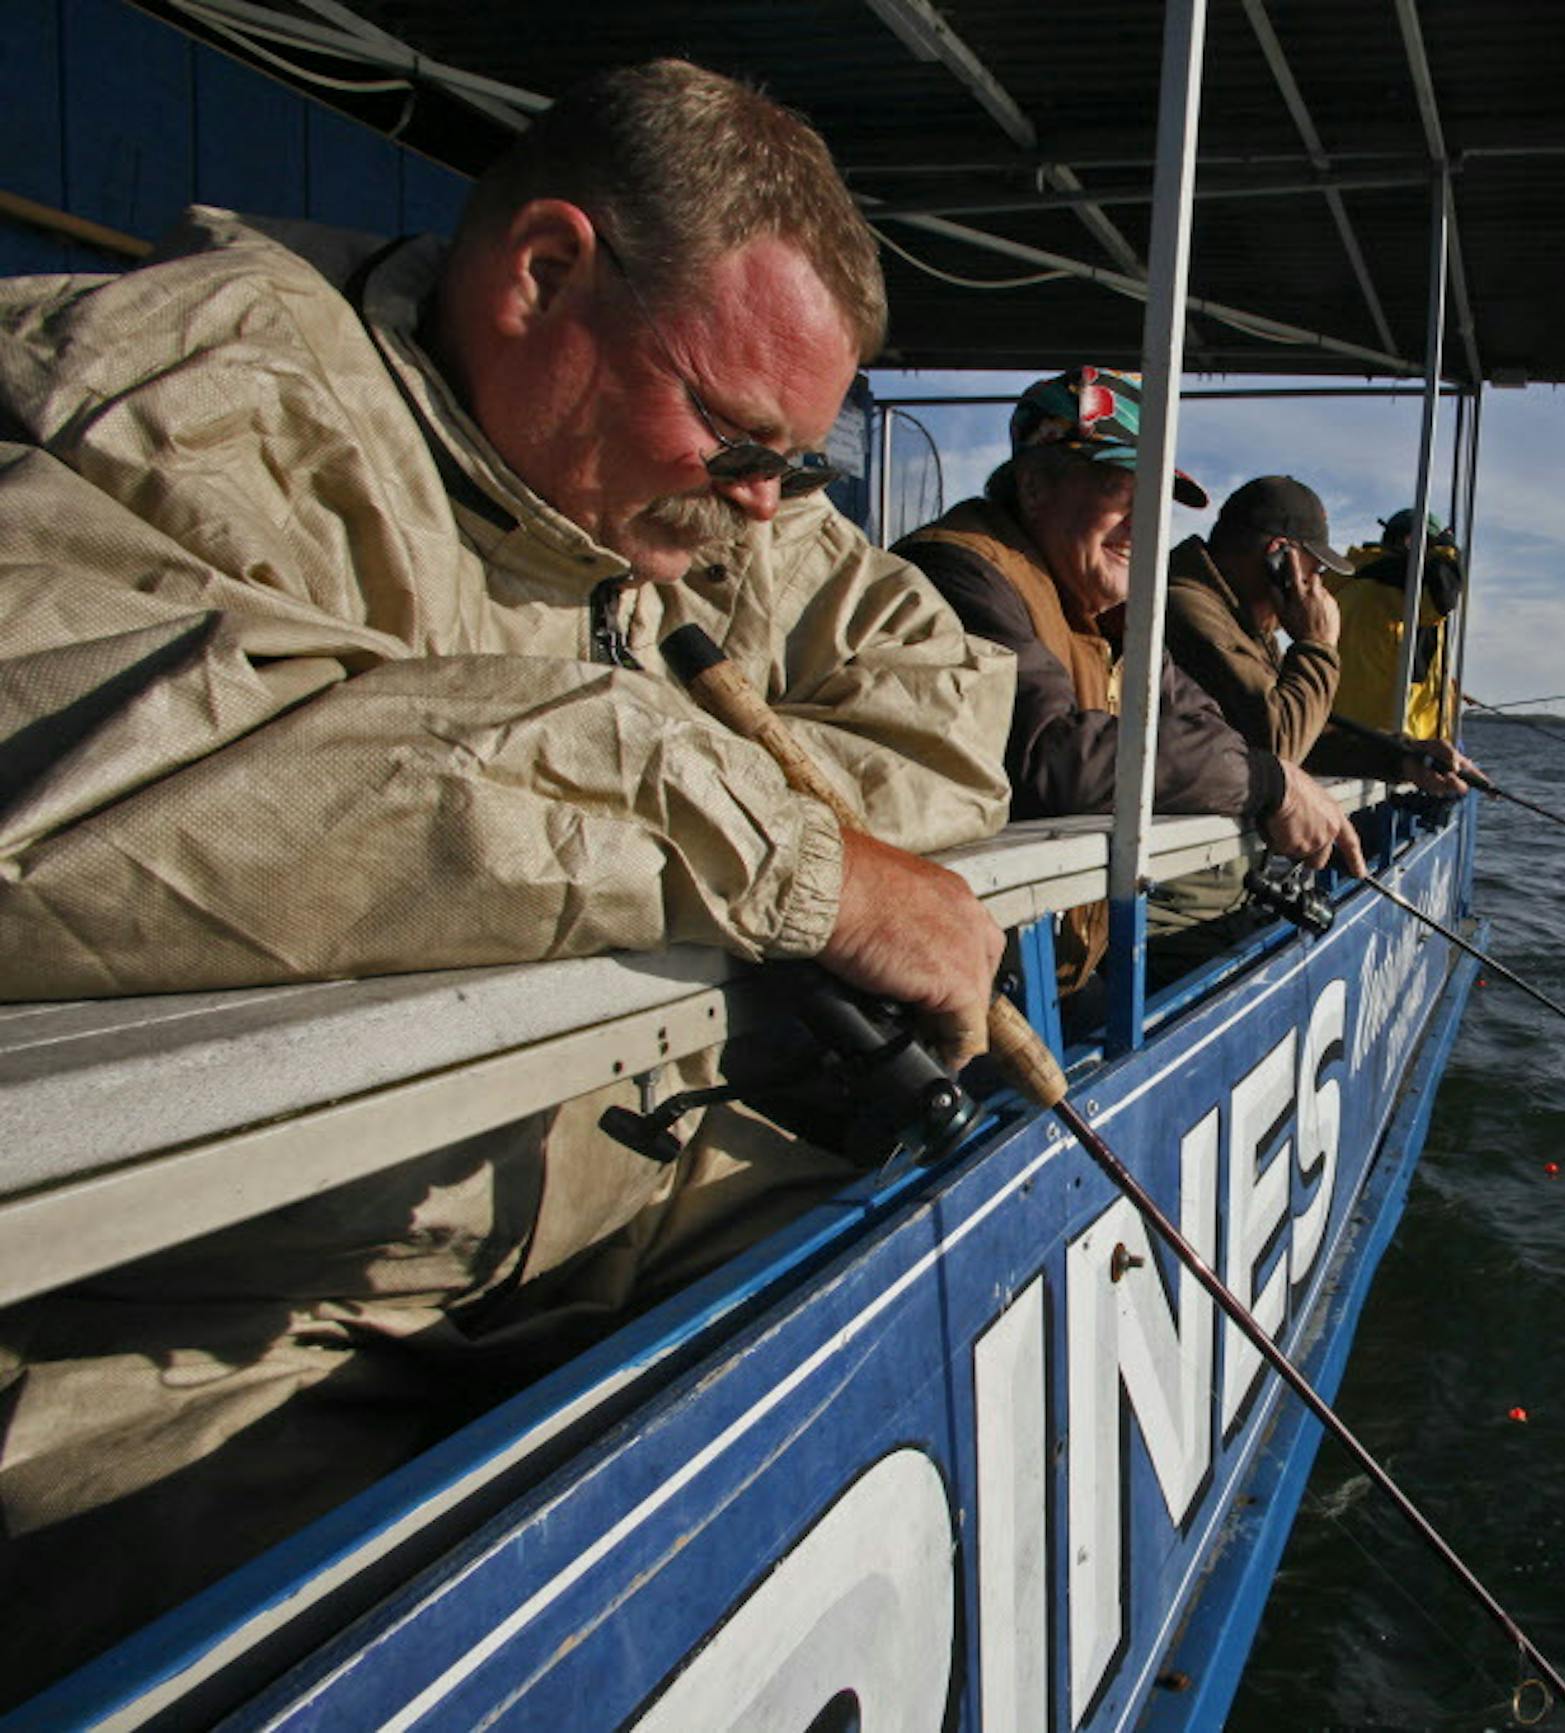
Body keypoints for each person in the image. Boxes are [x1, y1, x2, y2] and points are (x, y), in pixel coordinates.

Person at [0, 59, 1015, 1692]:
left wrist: (771, 828)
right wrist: (770, 850)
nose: (761, 499)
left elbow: (941, 698)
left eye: (795, 466)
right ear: (543, 274)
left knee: (938, 1268)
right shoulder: (188, 405)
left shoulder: (691, 493)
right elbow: (116, 780)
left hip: (568, 1196)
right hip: (190, 1333)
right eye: (742, 435)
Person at [895, 367, 1363, 985]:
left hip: (1044, 969)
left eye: (1154, 504)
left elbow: (1204, 723)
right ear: (1034, 485)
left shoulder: (1105, 608)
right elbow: (1056, 757)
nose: (1143, 526)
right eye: (1121, 490)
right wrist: (1267, 781)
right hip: (953, 982)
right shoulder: (962, 572)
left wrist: (1258, 771)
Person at [1167, 479, 1477, 794]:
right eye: (1315, 571)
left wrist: (1404, 757)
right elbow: (1278, 748)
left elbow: (1306, 736)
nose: (1318, 586)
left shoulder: (1243, 623)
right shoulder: (1188, 609)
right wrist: (1316, 644)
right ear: (1278, 558)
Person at [1331, 508, 1466, 740]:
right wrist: (1447, 551)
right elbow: (1443, 595)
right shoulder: (1407, 585)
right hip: (1390, 736)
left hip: (1338, 727)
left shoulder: (1349, 578)